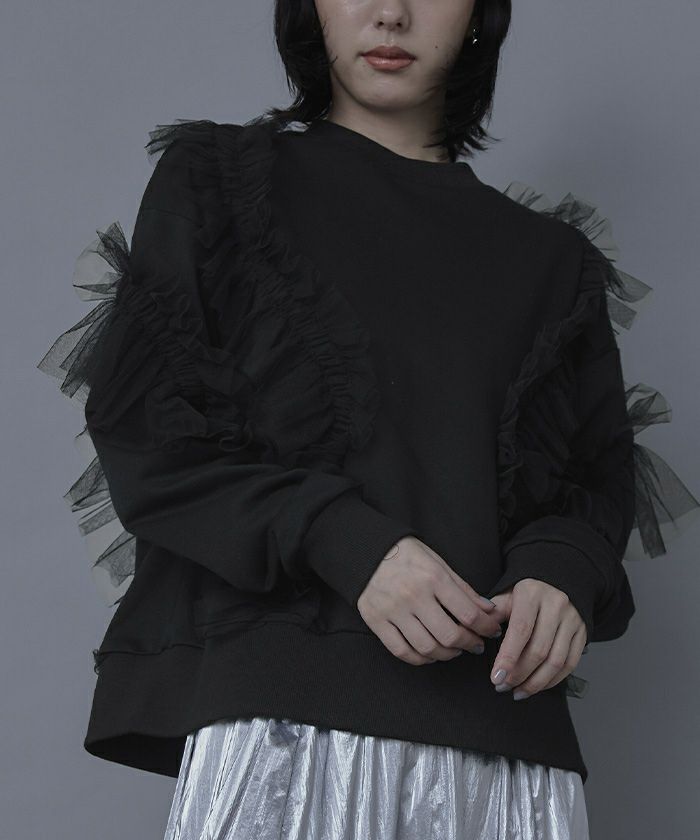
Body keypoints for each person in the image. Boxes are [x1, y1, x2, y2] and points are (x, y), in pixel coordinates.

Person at [36, 1, 699, 838]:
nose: (390, 12)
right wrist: (349, 543)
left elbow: (594, 483)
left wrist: (558, 572)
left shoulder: (551, 261)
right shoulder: (221, 184)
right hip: (284, 731)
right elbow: (151, 434)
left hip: (502, 746)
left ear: (479, 15)